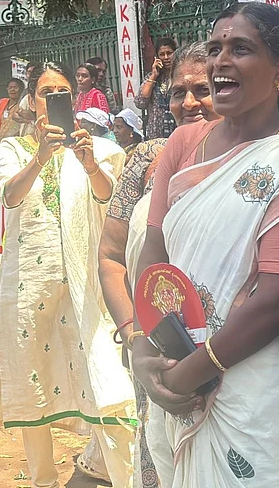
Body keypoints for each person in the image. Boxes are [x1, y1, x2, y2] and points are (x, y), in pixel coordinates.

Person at [132, 3, 279, 488]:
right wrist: (142, 347)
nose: (221, 61)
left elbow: (274, 299)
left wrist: (190, 374)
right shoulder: (185, 144)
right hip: (175, 362)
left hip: (251, 384)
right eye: (215, 48)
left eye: (240, 49)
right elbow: (154, 254)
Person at [0, 62, 134, 488]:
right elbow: (10, 197)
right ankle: (43, 480)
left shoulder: (100, 148)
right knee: (32, 376)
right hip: (29, 284)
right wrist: (40, 157)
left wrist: (89, 164)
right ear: (32, 100)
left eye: (61, 92)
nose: (52, 98)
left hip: (84, 282)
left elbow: (108, 199)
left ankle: (122, 473)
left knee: (103, 373)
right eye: (44, 92)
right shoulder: (14, 148)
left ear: (74, 100)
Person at [99, 41, 217, 488]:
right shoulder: (147, 159)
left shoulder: (257, 160)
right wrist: (134, 336)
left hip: (231, 356)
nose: (189, 103)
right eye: (178, 92)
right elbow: (111, 258)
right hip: (153, 354)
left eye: (203, 90)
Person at [136, 38, 177, 140]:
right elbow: (140, 102)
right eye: (162, 54)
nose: (166, 57)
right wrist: (154, 76)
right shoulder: (152, 77)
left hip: (177, 130)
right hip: (156, 133)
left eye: (169, 53)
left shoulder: (180, 76)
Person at [0, 76, 26, 148]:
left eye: (15, 87)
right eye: (10, 87)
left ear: (21, 90)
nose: (12, 90)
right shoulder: (2, 103)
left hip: (14, 143)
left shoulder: (22, 105)